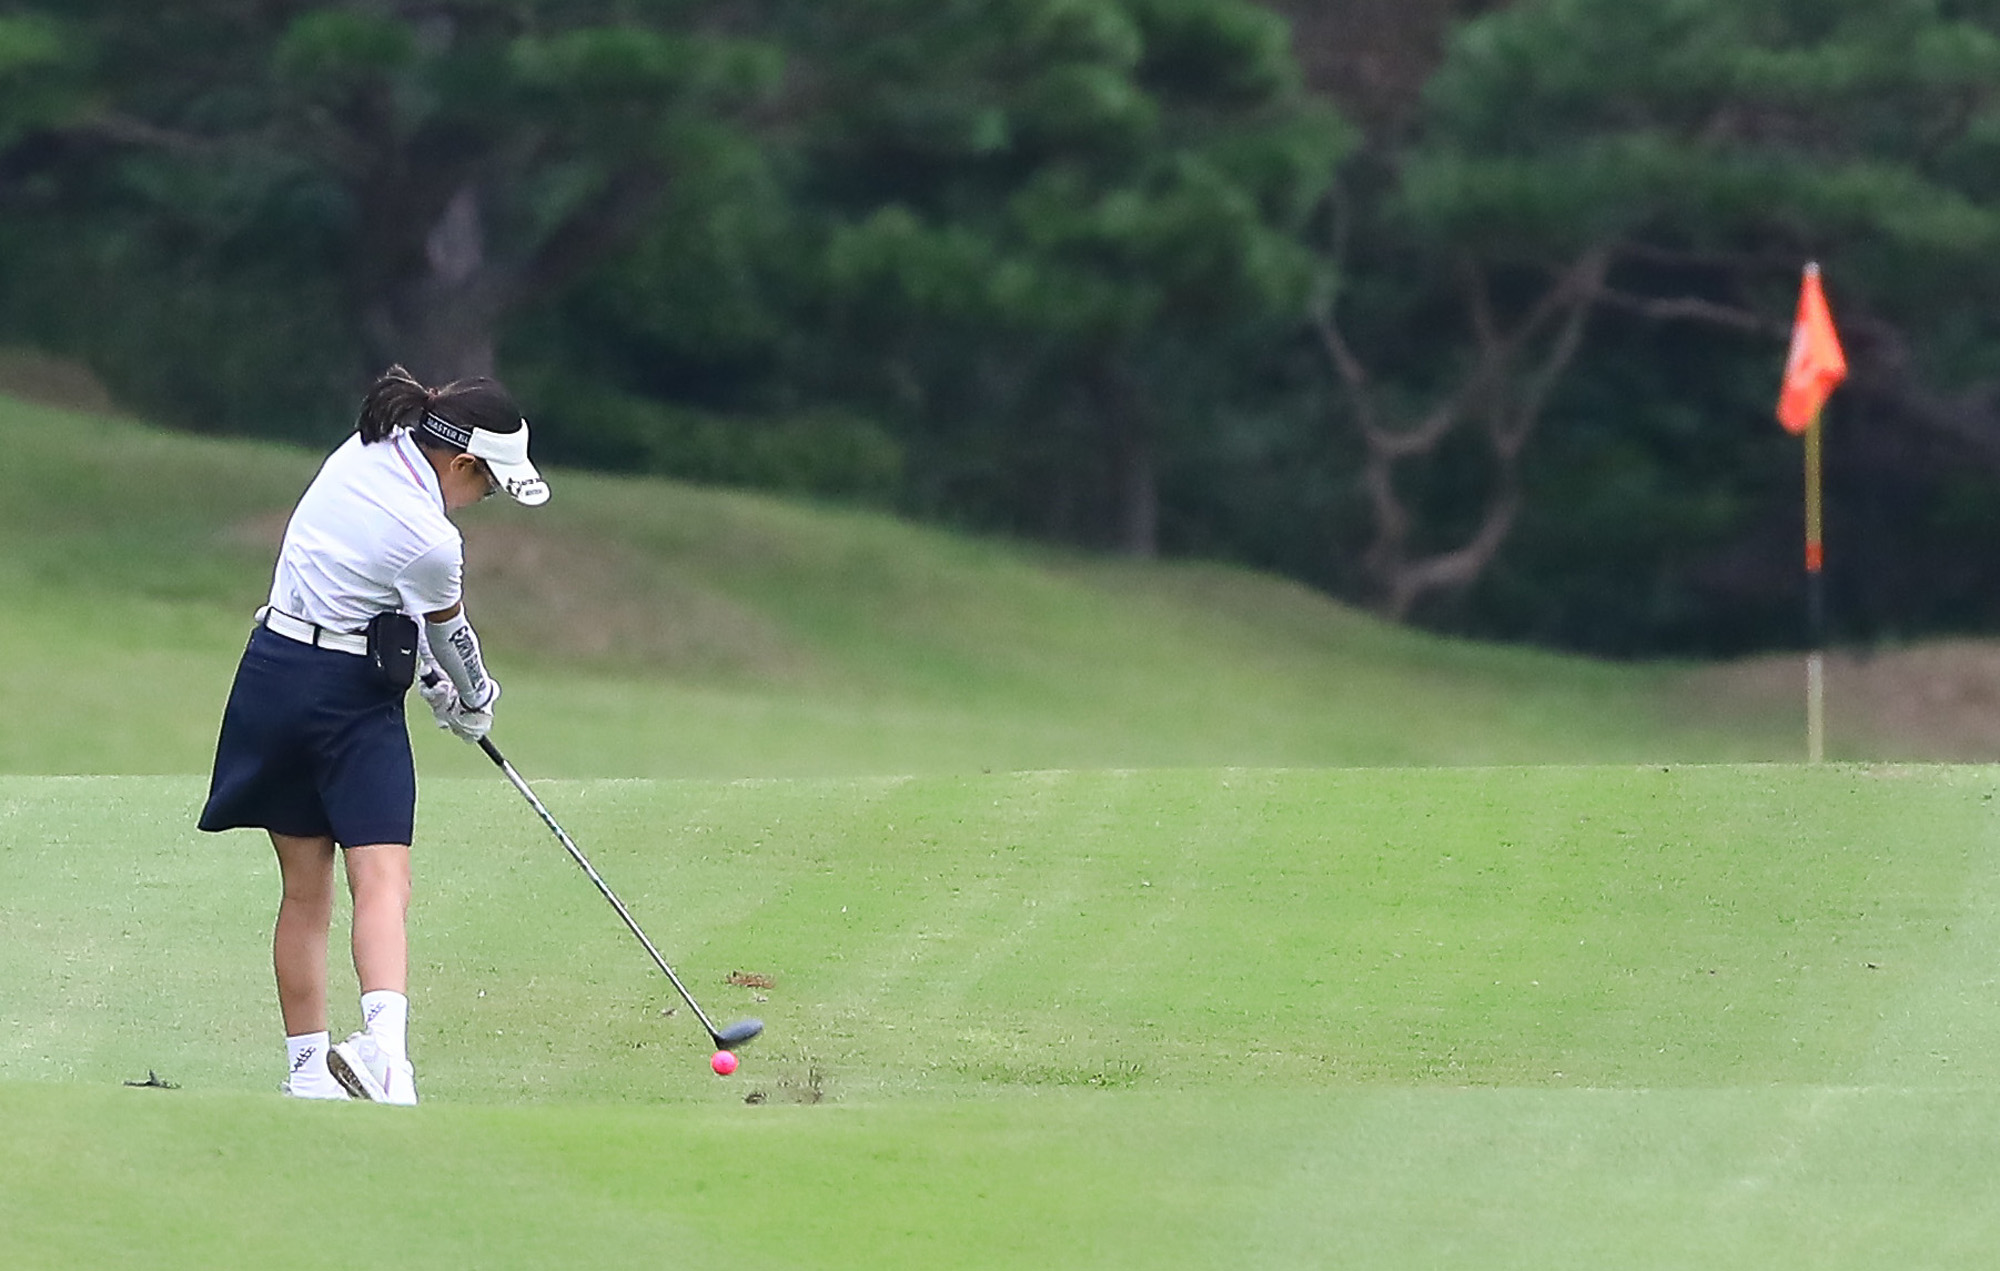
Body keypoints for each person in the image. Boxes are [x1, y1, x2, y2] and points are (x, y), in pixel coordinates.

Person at [197, 364, 549, 1103]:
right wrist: (473, 698)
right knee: (382, 876)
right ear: (461, 464)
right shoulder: (432, 538)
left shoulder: (368, 447)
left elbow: (382, 601)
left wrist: (429, 681)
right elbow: (450, 639)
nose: (480, 502)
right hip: (348, 697)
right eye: (485, 487)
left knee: (304, 890)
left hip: (272, 674)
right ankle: (386, 1054)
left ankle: (306, 1072)